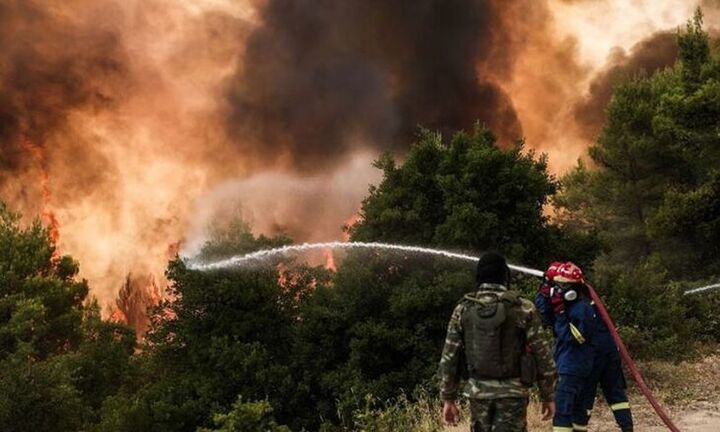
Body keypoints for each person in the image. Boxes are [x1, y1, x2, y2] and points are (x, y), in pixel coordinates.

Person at [439, 252, 556, 431]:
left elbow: (449, 358)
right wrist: (548, 396)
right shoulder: (523, 308)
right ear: (505, 275)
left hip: (478, 393)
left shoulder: (463, 309)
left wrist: (448, 398)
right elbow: (543, 355)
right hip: (514, 393)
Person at [541, 262, 596, 432]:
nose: (559, 289)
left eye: (564, 285)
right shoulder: (568, 306)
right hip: (570, 364)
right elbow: (546, 318)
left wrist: (561, 314)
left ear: (574, 289)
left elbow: (575, 338)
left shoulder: (582, 308)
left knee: (562, 411)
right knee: (577, 411)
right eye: (557, 284)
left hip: (573, 366)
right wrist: (545, 291)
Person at [573, 284, 634, 431]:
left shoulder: (578, 306)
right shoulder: (595, 304)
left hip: (592, 354)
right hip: (610, 351)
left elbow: (576, 335)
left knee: (584, 397)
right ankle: (627, 427)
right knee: (616, 393)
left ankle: (579, 428)